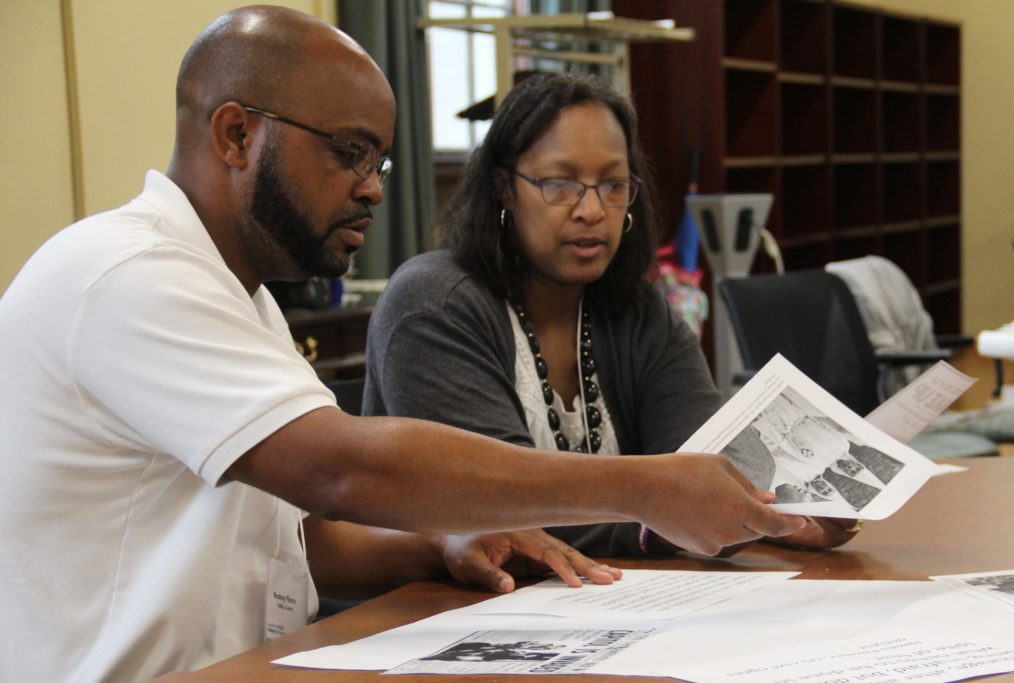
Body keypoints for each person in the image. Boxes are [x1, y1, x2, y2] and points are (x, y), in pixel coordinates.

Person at [0, 7, 806, 681]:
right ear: (236, 134)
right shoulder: (124, 273)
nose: (375, 186)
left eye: (380, 159)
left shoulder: (240, 298)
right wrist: (643, 489)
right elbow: (342, 467)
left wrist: (437, 544)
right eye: (348, 152)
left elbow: (293, 544)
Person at [364, 72, 857, 556]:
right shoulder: (433, 304)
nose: (592, 210)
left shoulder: (643, 313)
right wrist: (669, 518)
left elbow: (706, 466)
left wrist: (778, 518)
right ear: (504, 190)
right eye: (561, 184)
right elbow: (498, 508)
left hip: (614, 600)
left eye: (613, 185)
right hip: (439, 613)